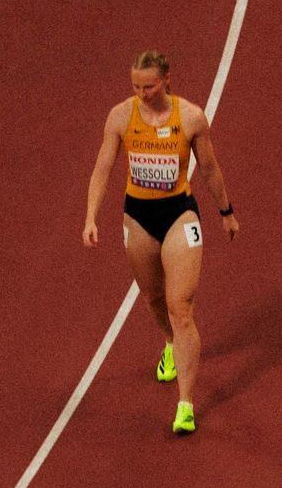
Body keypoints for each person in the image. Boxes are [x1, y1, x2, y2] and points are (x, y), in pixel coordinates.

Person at [83, 49, 238, 434]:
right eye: (136, 86)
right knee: (153, 297)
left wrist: (226, 211)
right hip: (137, 217)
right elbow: (103, 166)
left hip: (178, 214)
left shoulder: (191, 118)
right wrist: (90, 216)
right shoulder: (121, 116)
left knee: (180, 307)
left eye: (149, 86)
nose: (142, 93)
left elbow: (210, 168)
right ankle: (169, 343)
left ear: (167, 79)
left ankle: (185, 403)